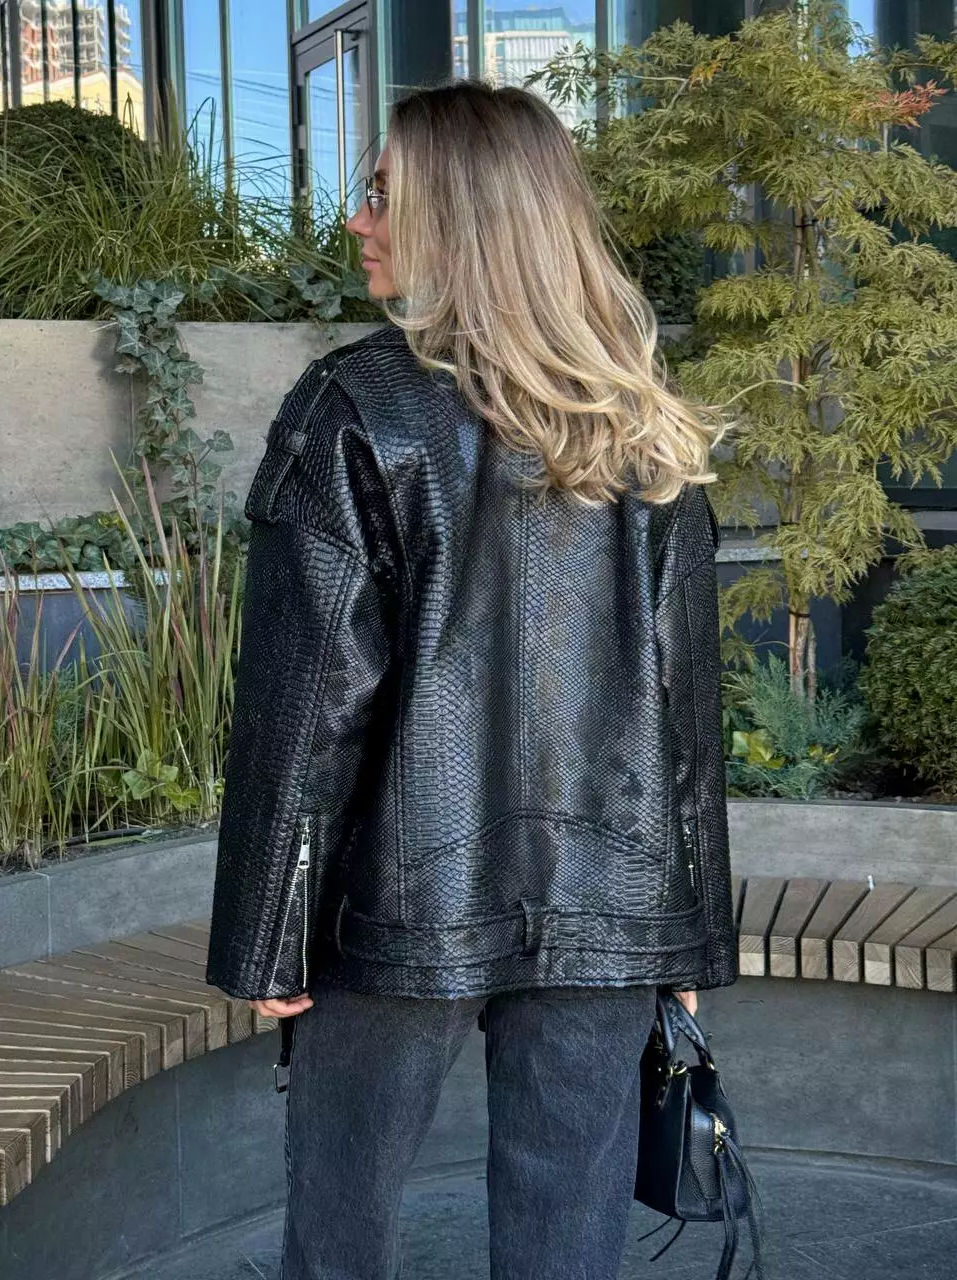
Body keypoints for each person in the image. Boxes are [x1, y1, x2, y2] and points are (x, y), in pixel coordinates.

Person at [206, 80, 738, 1280]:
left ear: (460, 214)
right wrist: (685, 935)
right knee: (568, 1243)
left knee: (340, 1234)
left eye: (381, 193)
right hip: (610, 908)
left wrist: (269, 936)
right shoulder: (640, 428)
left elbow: (306, 709)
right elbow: (686, 721)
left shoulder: (355, 408)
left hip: (396, 908)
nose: (357, 220)